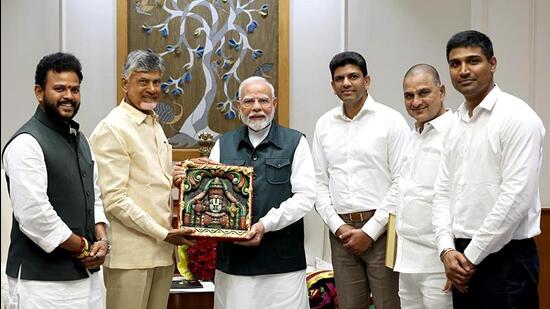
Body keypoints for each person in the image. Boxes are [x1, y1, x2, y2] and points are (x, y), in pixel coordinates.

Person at [433, 30, 545, 308]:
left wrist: (470, 257)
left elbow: (515, 199)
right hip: (460, 258)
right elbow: (442, 191)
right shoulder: (455, 123)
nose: (463, 70)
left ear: (492, 64)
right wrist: (447, 249)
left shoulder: (518, 117)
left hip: (507, 261)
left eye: (473, 61)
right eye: (455, 63)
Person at [2, 52, 109, 308]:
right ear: (39, 92)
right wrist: (84, 247)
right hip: (42, 286)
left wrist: (103, 240)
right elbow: (35, 216)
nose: (69, 96)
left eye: (75, 89)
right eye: (59, 88)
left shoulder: (81, 140)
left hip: (89, 280)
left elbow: (93, 196)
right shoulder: (26, 143)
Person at [89, 50, 192, 309]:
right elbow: (115, 200)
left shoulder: (154, 124)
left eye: (157, 82)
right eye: (143, 81)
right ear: (125, 83)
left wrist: (173, 178)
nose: (152, 89)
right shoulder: (112, 128)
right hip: (130, 258)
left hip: (161, 253)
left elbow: (148, 182)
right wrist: (164, 233)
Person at [206, 76, 316, 309]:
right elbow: (210, 199)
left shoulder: (296, 142)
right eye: (249, 101)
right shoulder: (222, 144)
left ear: (274, 103)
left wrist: (265, 224)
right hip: (233, 265)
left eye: (263, 100)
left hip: (282, 266)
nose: (256, 107)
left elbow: (305, 198)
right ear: (238, 107)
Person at [312, 51, 408, 309]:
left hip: (383, 230)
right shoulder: (324, 125)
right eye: (339, 78)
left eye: (353, 76)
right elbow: (318, 183)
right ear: (333, 87)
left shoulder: (391, 120)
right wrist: (338, 226)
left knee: (390, 303)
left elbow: (402, 182)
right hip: (341, 233)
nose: (346, 83)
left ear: (367, 80)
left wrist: (370, 231)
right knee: (349, 305)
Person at [394, 64, 453, 308]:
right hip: (407, 260)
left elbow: (456, 198)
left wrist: (452, 254)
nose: (416, 101)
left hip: (438, 261)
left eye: (423, 93)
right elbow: (401, 192)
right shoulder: (411, 135)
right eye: (409, 95)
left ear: (441, 91)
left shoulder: (455, 133)